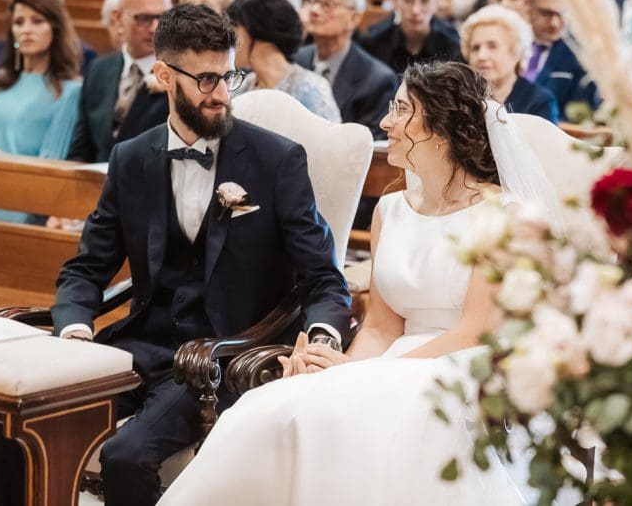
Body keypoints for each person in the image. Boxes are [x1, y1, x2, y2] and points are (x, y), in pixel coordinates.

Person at [0, 3, 352, 506]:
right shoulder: (131, 157)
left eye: (229, 77)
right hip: (139, 344)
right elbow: (87, 267)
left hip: (221, 355)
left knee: (126, 455)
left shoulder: (277, 160)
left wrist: (323, 336)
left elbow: (323, 278)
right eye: (206, 80)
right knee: (18, 424)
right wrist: (73, 332)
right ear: (163, 75)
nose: (222, 94)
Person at [160, 62, 528, 506]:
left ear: (440, 129)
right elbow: (380, 328)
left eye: (401, 110)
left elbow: (474, 331)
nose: (385, 122)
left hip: (461, 366)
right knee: (271, 408)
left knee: (361, 420)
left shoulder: (501, 215)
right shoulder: (390, 210)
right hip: (393, 358)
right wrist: (334, 365)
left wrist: (361, 375)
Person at [0, 0, 82, 223]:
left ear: (55, 28)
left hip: (23, 201)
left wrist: (1, 162)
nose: (26, 29)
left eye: (37, 21)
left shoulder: (70, 90)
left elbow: (52, 162)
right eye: (19, 22)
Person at [67, 0, 172, 163]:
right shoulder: (98, 70)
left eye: (163, 17)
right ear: (118, 18)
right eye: (144, 18)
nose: (155, 28)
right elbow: (82, 147)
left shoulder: (177, 74)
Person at [293, 0, 397, 138]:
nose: (314, 11)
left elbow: (369, 147)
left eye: (327, 5)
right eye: (314, 2)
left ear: (354, 18)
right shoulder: (294, 60)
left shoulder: (378, 81)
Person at [226, 0, 341, 122]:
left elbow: (330, 141)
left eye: (235, 28)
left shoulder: (310, 88)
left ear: (260, 33)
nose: (230, 38)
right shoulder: (242, 86)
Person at [462, 4, 558, 122]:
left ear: (517, 52)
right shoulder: (461, 98)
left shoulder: (539, 101)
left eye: (492, 46)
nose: (481, 56)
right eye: (475, 48)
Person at [359, 0, 462, 74]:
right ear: (396, 1)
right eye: (408, 0)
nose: (416, 11)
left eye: (425, 1)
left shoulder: (452, 46)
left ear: (436, 4)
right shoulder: (374, 42)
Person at [525, 0, 599, 117]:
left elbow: (578, 116)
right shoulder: (512, 43)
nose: (555, 23)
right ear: (529, 7)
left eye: (562, 14)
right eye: (546, 14)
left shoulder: (581, 56)